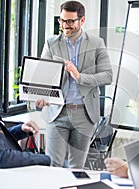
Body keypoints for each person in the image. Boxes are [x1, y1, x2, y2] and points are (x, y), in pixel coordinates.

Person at [35, 1, 112, 168]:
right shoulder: (52, 43)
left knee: (76, 167)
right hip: (57, 113)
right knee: (54, 165)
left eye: (70, 21)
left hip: (84, 115)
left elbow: (107, 76)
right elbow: (43, 76)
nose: (65, 26)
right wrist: (41, 95)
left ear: (82, 20)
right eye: (62, 21)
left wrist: (79, 77)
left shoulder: (96, 43)